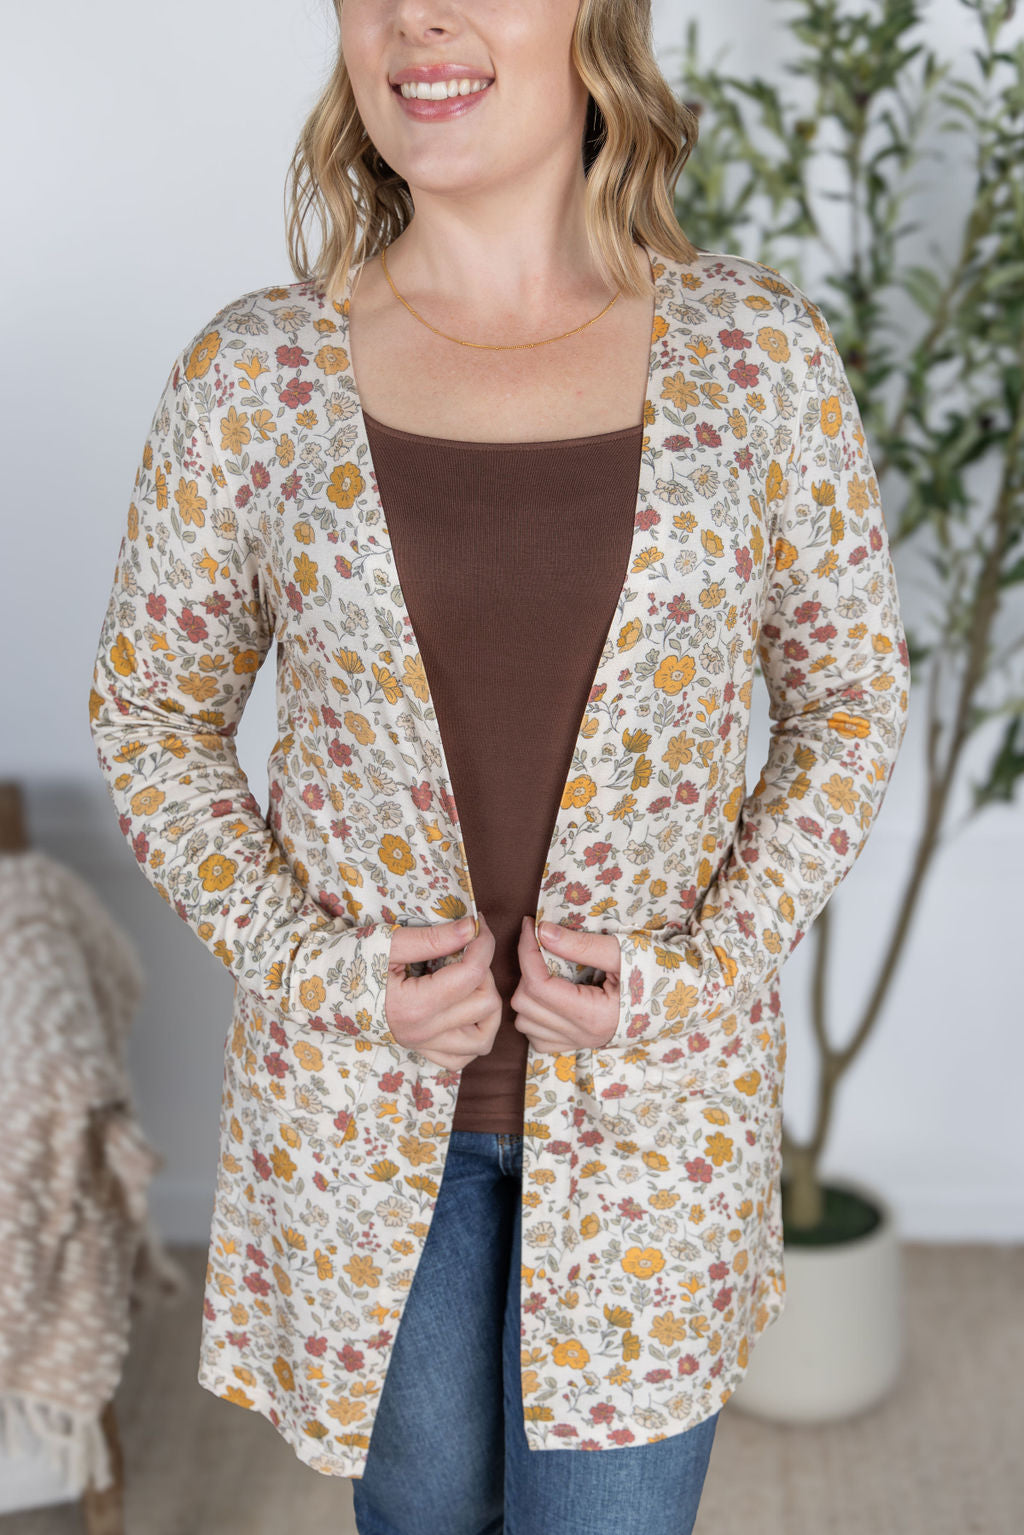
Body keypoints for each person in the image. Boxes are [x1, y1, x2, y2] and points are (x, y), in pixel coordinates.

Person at [88, 1, 910, 1531]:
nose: (417, 17)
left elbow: (851, 703)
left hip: (660, 1127)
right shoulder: (252, 377)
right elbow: (152, 717)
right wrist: (321, 969)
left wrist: (701, 969)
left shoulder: (757, 358)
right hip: (359, 1125)